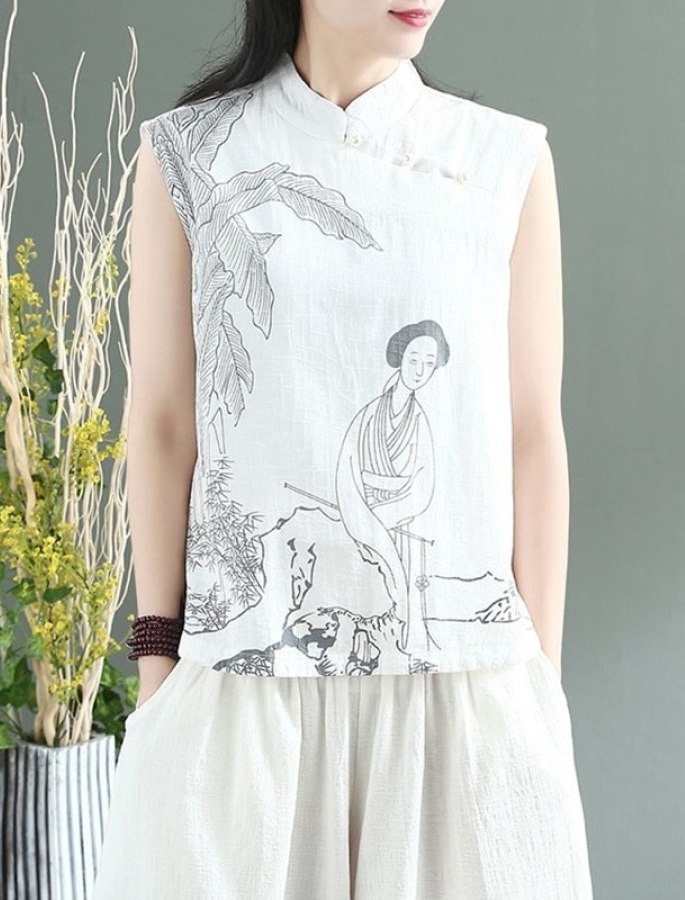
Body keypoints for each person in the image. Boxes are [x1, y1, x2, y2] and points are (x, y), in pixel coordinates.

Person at [93, 0, 594, 897]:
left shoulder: (503, 161)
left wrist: (539, 690)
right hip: (240, 693)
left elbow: (532, 433)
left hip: (467, 699)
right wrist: (157, 667)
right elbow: (164, 424)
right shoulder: (189, 154)